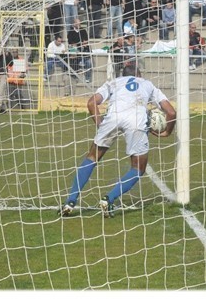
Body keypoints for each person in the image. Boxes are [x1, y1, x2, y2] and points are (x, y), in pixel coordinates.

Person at [58, 65, 176, 218]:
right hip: (136, 120)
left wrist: (101, 125)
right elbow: (171, 112)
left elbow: (91, 103)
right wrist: (167, 132)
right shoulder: (147, 84)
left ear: (122, 75)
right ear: (139, 75)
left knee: (92, 157)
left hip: (113, 117)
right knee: (138, 167)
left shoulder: (113, 82)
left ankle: (70, 201)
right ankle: (109, 199)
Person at [67, 18, 92, 84]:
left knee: (89, 63)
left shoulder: (83, 31)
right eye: (77, 23)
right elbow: (70, 43)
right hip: (75, 50)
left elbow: (86, 41)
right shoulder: (70, 32)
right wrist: (78, 44)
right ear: (74, 24)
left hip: (83, 49)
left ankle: (87, 78)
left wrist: (82, 43)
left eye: (79, 24)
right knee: (73, 51)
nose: (79, 25)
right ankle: (74, 75)